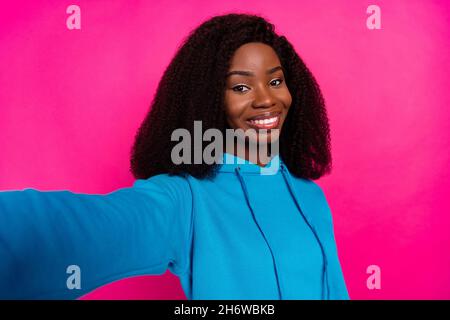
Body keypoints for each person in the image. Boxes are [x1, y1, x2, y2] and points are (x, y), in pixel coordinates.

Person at [0, 13, 349, 300]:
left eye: (275, 82)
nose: (266, 100)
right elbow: (70, 229)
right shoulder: (185, 199)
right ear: (209, 98)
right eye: (241, 87)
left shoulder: (310, 195)